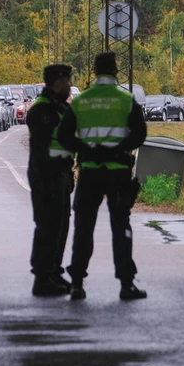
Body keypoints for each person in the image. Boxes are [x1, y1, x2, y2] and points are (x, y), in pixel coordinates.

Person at [57, 52, 148, 301]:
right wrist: (117, 148)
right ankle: (126, 284)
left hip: (90, 172)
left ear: (94, 71)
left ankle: (77, 283)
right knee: (121, 227)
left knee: (83, 228)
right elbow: (140, 134)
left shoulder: (81, 101)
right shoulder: (127, 100)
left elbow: (64, 135)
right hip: (118, 172)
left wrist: (87, 148)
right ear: (116, 71)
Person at [25, 63, 75, 297]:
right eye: (68, 80)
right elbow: (41, 150)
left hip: (61, 174)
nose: (71, 85)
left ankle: (54, 271)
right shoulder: (42, 110)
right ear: (58, 81)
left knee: (61, 226)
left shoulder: (60, 108)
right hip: (47, 176)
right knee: (48, 226)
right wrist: (49, 177)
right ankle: (42, 278)